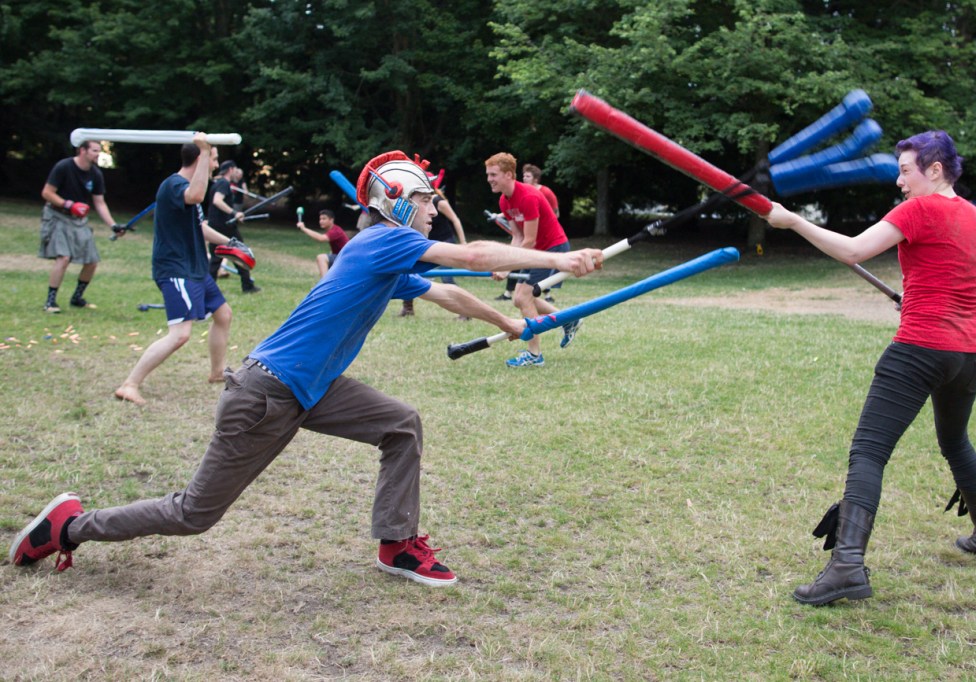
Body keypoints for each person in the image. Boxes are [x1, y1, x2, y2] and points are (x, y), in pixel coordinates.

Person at [9, 150, 603, 586]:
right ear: (398, 204)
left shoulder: (384, 253)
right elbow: (474, 256)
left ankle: (396, 546)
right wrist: (558, 257)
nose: (432, 208)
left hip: (311, 389)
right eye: (425, 200)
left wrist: (511, 325)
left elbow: (448, 293)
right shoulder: (382, 241)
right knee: (194, 515)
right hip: (266, 393)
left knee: (400, 424)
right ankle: (68, 526)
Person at [765, 130, 976, 606]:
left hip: (921, 347)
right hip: (971, 350)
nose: (900, 182)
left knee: (869, 451)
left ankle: (847, 567)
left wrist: (793, 222)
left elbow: (854, 250)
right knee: (955, 441)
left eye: (905, 171)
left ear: (934, 169)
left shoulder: (920, 209)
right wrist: (934, 296)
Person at [113, 136, 237, 406]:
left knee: (223, 315)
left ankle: (217, 372)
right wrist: (205, 151)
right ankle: (129, 384)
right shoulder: (174, 185)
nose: (215, 164)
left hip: (194, 267)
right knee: (180, 334)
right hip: (175, 269)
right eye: (212, 158)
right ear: (199, 157)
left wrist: (231, 243)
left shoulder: (188, 189)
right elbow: (195, 195)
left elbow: (199, 227)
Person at [485, 152, 581, 367]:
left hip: (552, 250)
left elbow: (529, 240)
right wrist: (503, 264)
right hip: (535, 250)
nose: (489, 179)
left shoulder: (528, 197)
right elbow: (517, 237)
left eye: (494, 174)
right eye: (488, 174)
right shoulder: (504, 200)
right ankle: (569, 318)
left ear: (509, 174)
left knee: (524, 298)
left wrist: (507, 269)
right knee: (520, 299)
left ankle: (535, 355)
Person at [38, 140, 123, 313]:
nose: (97, 154)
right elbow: (47, 193)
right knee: (64, 257)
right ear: (82, 150)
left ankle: (77, 297)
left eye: (99, 151)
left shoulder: (95, 174)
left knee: (91, 261)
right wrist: (69, 205)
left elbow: (99, 203)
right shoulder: (64, 167)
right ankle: (50, 302)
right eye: (94, 150)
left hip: (79, 221)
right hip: (57, 216)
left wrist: (113, 225)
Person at [399, 181, 467, 318]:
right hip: (426, 244)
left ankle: (464, 312)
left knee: (446, 278)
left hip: (444, 242)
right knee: (408, 273)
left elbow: (456, 220)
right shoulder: (412, 203)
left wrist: (464, 243)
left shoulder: (438, 201)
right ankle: (408, 309)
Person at [207, 160, 260, 294]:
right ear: (230, 169)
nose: (236, 172)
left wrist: (234, 215)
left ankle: (207, 289)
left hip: (214, 225)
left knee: (215, 259)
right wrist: (234, 213)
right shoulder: (224, 183)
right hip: (225, 227)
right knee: (240, 253)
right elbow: (217, 201)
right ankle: (247, 286)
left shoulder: (216, 183)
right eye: (235, 170)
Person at [523, 163, 562, 302]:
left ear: (536, 179)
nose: (524, 178)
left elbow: (555, 214)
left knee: (544, 266)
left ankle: (547, 295)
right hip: (533, 238)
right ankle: (511, 293)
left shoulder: (546, 192)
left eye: (528, 176)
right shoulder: (524, 193)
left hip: (548, 238)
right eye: (524, 175)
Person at [296, 208, 350, 278]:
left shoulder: (336, 231)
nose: (321, 221)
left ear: (331, 220)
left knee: (321, 258)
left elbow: (321, 238)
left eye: (324, 219)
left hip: (347, 259)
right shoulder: (333, 230)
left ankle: (324, 285)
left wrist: (304, 229)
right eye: (320, 219)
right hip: (341, 258)